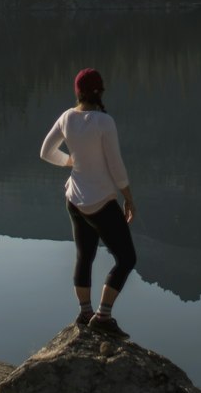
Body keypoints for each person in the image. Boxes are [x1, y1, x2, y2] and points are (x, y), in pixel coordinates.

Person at [40, 67, 137, 337]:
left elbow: (45, 152)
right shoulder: (104, 122)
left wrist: (69, 160)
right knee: (126, 258)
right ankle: (103, 317)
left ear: (78, 92)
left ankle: (85, 313)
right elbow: (116, 167)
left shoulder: (67, 118)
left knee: (85, 256)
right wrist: (128, 197)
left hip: (74, 200)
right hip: (102, 203)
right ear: (100, 92)